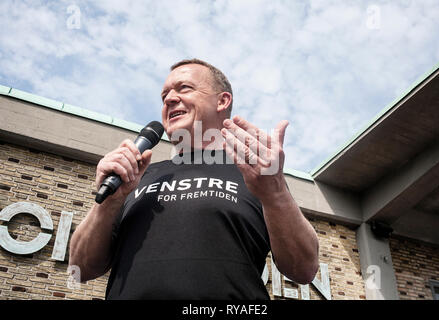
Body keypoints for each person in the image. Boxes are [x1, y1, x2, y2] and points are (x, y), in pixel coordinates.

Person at [69, 59, 319, 299]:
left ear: (222, 100)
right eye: (164, 95)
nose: (169, 98)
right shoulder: (135, 177)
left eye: (184, 88)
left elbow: (303, 269)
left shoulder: (256, 173)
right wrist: (109, 202)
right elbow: (80, 268)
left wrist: (275, 194)